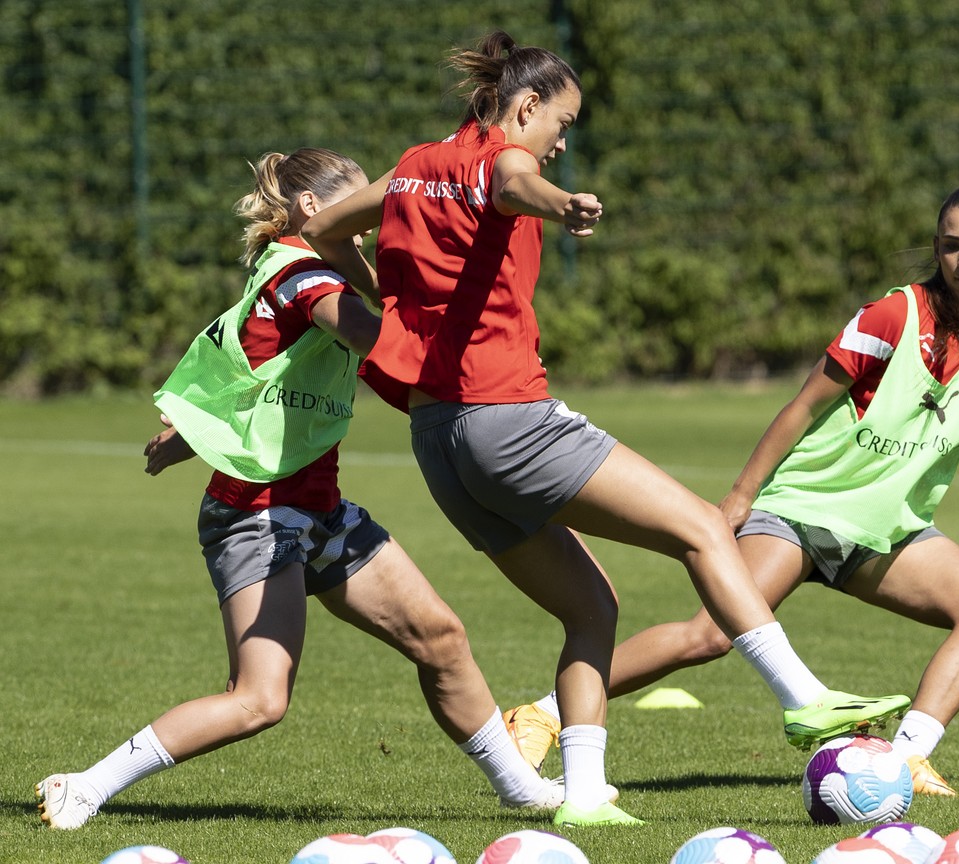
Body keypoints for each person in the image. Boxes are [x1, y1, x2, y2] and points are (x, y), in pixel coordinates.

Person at [300, 31, 909, 827]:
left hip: (441, 445)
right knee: (702, 528)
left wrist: (388, 312)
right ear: (524, 107)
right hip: (510, 420)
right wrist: (566, 206)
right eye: (563, 122)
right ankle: (804, 699)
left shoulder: (413, 164)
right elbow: (517, 182)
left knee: (592, 609)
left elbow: (321, 231)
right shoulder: (502, 161)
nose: (561, 143)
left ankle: (585, 799)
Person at [507, 178, 959, 796]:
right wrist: (740, 498)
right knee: (709, 636)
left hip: (886, 533)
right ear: (936, 248)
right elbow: (802, 406)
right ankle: (539, 714)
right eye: (951, 244)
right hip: (800, 512)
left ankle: (904, 760)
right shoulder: (892, 316)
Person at [36, 148, 572, 831]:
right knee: (259, 699)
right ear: (315, 210)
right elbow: (380, 342)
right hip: (254, 518)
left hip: (319, 511)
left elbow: (255, 374)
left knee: (440, 637)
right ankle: (83, 785)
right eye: (363, 199)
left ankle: (519, 789)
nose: (377, 212)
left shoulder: (310, 269)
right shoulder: (302, 278)